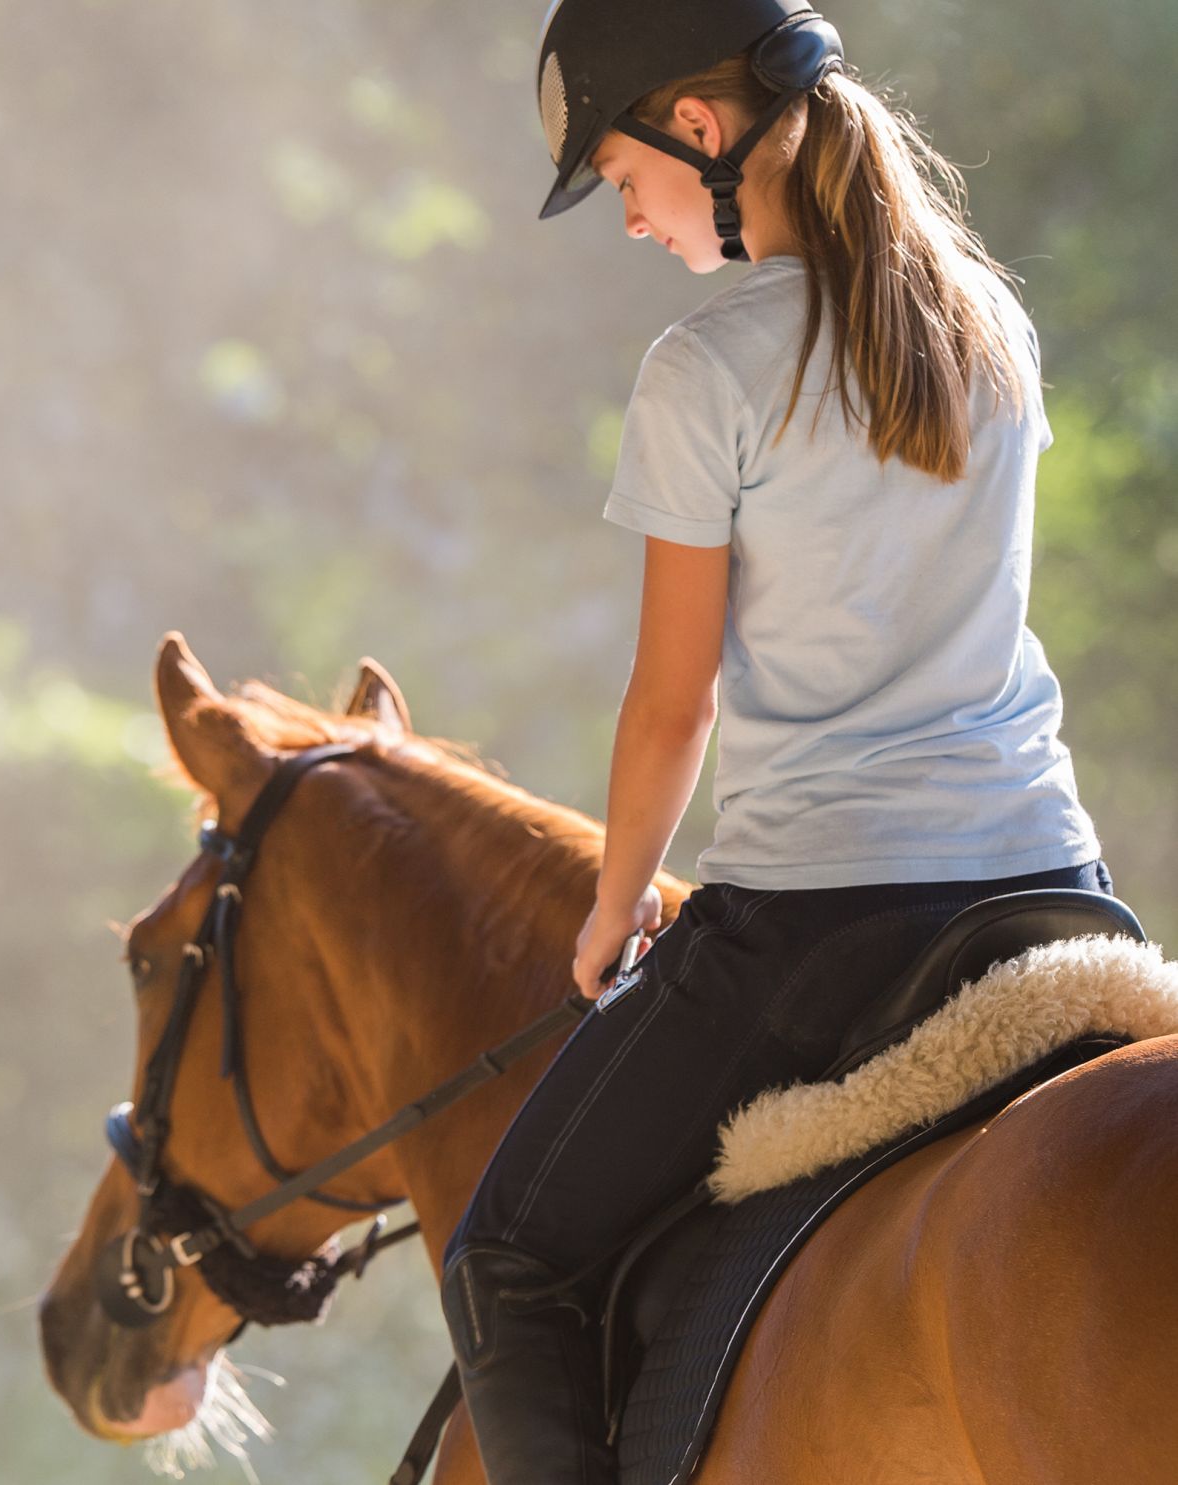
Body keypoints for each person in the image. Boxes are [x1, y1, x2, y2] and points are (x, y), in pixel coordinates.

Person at [439, 2, 1110, 1482]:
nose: (626, 220)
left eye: (619, 179)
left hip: (826, 915)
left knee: (506, 1259)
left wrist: (615, 911)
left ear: (699, 130)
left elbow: (668, 701)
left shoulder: (706, 367)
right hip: (1051, 881)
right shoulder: (990, 322)